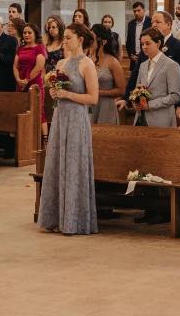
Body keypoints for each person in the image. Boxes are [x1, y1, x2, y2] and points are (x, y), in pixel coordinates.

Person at [37, 23, 100, 235]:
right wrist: (55, 92)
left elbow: (93, 98)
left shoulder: (87, 64)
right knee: (56, 164)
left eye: (69, 37)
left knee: (73, 166)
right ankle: (54, 217)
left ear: (81, 39)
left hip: (76, 119)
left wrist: (68, 95)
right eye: (64, 37)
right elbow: (58, 89)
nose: (64, 41)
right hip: (60, 117)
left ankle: (74, 220)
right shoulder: (62, 62)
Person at [117, 27, 180, 128]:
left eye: (148, 43)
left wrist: (149, 105)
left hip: (161, 120)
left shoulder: (171, 65)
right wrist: (134, 101)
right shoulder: (143, 65)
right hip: (140, 117)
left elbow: (175, 96)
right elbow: (137, 89)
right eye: (142, 44)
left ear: (158, 43)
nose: (144, 47)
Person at [14, 22, 49, 122]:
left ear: (35, 34)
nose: (26, 35)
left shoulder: (39, 47)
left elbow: (39, 67)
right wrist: (18, 79)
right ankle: (25, 136)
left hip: (34, 83)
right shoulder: (20, 48)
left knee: (38, 111)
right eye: (25, 33)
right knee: (22, 110)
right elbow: (15, 66)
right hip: (20, 83)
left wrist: (26, 80)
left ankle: (44, 138)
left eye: (29, 33)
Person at [90, 30, 123, 125]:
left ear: (103, 42)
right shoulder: (87, 59)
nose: (89, 41)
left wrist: (99, 92)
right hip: (89, 104)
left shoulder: (112, 62)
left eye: (93, 39)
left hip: (106, 105)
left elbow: (121, 90)